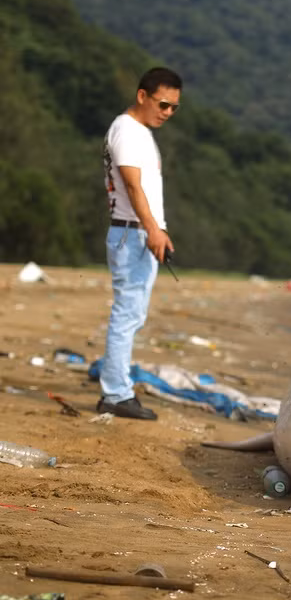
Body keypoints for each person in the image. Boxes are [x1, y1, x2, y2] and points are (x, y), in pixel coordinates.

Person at [97, 67, 182, 420]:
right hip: (131, 233)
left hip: (137, 233)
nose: (168, 112)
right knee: (127, 314)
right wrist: (153, 230)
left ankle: (116, 385)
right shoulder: (127, 131)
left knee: (131, 315)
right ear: (142, 96)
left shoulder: (140, 132)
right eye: (163, 104)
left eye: (174, 107)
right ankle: (116, 394)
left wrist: (157, 230)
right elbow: (133, 187)